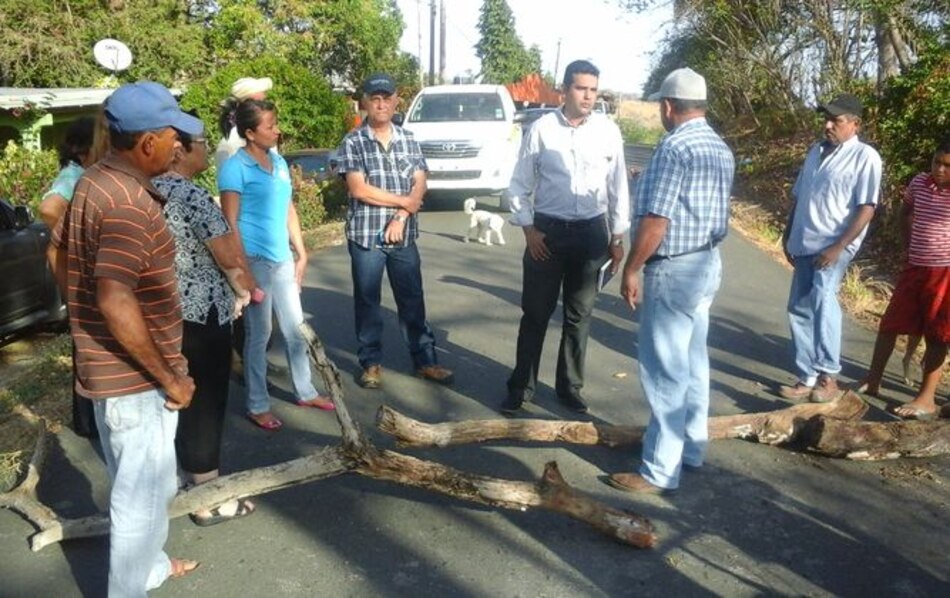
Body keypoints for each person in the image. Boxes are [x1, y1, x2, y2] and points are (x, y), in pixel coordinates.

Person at [47, 81, 202, 595]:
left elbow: (60, 254)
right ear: (147, 142)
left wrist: (80, 318)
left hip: (111, 371)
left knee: (150, 488)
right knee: (139, 499)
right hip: (135, 382)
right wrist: (169, 379)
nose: (180, 146)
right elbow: (115, 299)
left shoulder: (94, 181)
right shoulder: (126, 204)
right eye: (173, 135)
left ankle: (151, 567)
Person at [606, 67, 734, 494]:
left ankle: (659, 469)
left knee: (665, 369)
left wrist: (632, 268)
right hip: (705, 263)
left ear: (667, 106)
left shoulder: (674, 147)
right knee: (695, 361)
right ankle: (690, 448)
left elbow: (657, 222)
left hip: (673, 267)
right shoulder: (718, 146)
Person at [499, 59, 629, 416]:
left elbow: (618, 187)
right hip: (547, 233)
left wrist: (617, 238)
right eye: (580, 88)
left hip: (591, 234)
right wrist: (528, 229)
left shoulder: (607, 131)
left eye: (593, 90)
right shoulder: (541, 129)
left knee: (579, 316)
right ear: (565, 89)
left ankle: (569, 387)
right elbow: (519, 185)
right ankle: (520, 386)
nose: (587, 96)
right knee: (535, 314)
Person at [153, 125, 257, 524]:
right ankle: (207, 494)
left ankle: (180, 479)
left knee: (173, 399)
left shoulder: (141, 189)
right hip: (201, 314)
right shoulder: (191, 194)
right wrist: (244, 290)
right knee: (205, 401)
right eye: (201, 146)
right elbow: (228, 256)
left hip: (158, 314)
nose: (207, 153)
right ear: (178, 151)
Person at [218, 99, 334, 432]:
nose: (277, 130)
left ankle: (305, 390)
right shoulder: (234, 168)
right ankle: (257, 404)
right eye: (270, 126)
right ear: (251, 133)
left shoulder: (279, 162)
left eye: (275, 123)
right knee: (259, 335)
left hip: (282, 258)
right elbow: (230, 223)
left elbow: (288, 208)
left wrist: (302, 252)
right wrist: (243, 271)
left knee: (297, 329)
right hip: (254, 260)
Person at [336, 73, 453, 389]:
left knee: (412, 299)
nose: (381, 104)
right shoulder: (353, 142)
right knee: (368, 301)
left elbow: (420, 181)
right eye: (375, 98)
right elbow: (359, 189)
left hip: (403, 235)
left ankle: (425, 361)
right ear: (365, 102)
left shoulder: (409, 138)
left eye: (386, 98)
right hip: (366, 236)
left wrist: (401, 215)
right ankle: (371, 363)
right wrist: (405, 202)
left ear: (396, 100)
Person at [779, 93, 882, 403]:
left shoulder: (865, 157)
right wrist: (787, 235)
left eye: (835, 121)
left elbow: (867, 208)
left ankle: (828, 376)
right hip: (805, 240)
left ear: (855, 124)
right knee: (798, 306)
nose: (827, 126)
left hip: (836, 243)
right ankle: (807, 376)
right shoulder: (815, 152)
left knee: (823, 299)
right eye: (826, 119)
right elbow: (799, 197)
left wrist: (839, 246)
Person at [851, 139, 950, 419]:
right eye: (936, 162)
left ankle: (926, 398)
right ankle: (873, 380)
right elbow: (905, 211)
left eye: (947, 166)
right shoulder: (920, 183)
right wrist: (908, 245)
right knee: (890, 323)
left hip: (944, 271)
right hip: (915, 266)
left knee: (937, 334)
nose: (939, 170)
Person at [39, 116, 103, 438]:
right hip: (80, 275)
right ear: (81, 150)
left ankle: (91, 420)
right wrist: (74, 238)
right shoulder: (73, 175)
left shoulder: (89, 175)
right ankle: (87, 423)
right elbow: (49, 208)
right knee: (86, 350)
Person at [215, 76, 273, 168]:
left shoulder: (266, 135)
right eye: (260, 103)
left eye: (265, 102)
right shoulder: (232, 143)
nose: (265, 108)